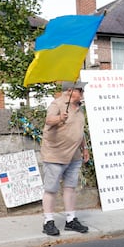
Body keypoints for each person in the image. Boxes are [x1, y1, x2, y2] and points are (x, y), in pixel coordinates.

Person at [40, 81, 91, 236]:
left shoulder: (79, 109)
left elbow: (79, 131)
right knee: (51, 189)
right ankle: (48, 221)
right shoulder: (57, 104)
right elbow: (49, 120)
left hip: (74, 155)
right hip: (55, 154)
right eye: (80, 90)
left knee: (70, 187)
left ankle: (71, 220)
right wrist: (60, 118)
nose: (82, 93)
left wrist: (85, 148)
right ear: (70, 91)